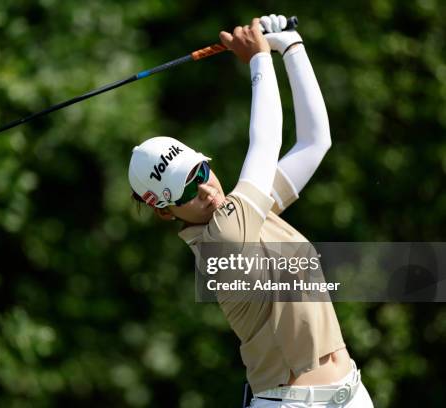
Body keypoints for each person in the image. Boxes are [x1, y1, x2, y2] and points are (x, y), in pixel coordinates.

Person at [127, 14, 374, 408]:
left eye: (202, 171)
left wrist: (291, 47)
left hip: (351, 391)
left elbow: (314, 143)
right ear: (164, 210)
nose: (206, 190)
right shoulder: (224, 239)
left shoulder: (248, 211)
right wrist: (259, 59)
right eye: (187, 190)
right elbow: (267, 141)